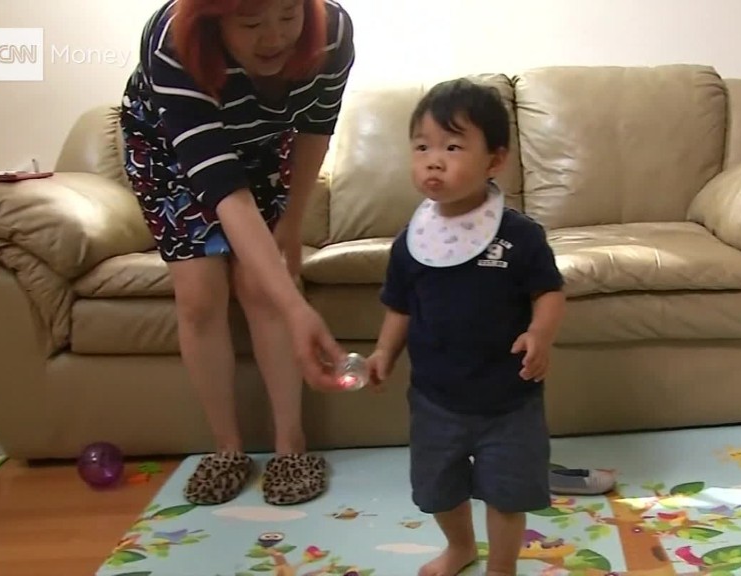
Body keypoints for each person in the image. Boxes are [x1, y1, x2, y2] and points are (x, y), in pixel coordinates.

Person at [119, 0, 355, 507]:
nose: (274, 38)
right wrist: (299, 309)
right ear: (213, 18)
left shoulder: (332, 31)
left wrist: (291, 224)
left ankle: (292, 445)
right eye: (251, 24)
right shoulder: (173, 42)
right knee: (201, 293)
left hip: (263, 146)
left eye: (289, 16)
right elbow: (224, 188)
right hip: (167, 150)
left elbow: (316, 126)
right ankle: (227, 448)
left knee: (261, 285)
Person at [365, 79, 567, 576]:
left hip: (510, 399)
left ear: (494, 161)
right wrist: (382, 356)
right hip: (436, 400)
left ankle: (502, 567)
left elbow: (550, 291)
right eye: (422, 147)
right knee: (438, 487)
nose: (434, 159)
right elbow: (399, 308)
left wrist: (541, 333)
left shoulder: (519, 236)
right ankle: (460, 547)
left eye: (453, 147)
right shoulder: (410, 242)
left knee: (506, 492)